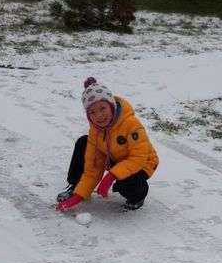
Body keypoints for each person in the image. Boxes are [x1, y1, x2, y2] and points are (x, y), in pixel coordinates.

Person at [56, 77, 159, 212]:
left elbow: (138, 157)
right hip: (115, 158)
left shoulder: (131, 124)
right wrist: (79, 196)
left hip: (142, 162)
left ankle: (137, 197)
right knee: (83, 142)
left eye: (102, 108)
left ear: (112, 106)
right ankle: (75, 186)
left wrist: (111, 176)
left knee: (126, 182)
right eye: (92, 112)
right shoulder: (95, 131)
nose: (99, 115)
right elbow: (93, 166)